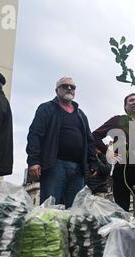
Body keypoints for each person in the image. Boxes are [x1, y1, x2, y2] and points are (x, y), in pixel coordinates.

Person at [26, 77, 98, 208]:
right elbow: (35, 135)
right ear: (57, 90)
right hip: (54, 165)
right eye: (65, 86)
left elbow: (89, 140)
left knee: (75, 210)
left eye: (72, 87)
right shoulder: (46, 108)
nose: (69, 88)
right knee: (50, 207)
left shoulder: (81, 114)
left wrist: (92, 161)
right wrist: (33, 161)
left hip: (78, 169)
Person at [93, 93, 135, 217]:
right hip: (122, 170)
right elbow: (94, 135)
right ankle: (123, 234)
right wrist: (107, 152)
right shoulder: (117, 120)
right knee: (121, 210)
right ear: (125, 106)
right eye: (131, 101)